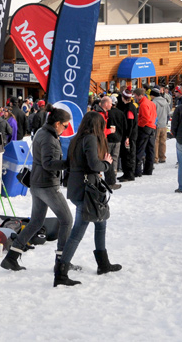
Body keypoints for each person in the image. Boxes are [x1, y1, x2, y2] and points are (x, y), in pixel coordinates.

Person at [1, 107, 74, 271]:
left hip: (37, 184)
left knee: (36, 222)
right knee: (67, 220)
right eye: (65, 126)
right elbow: (48, 163)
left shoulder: (42, 131)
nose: (66, 129)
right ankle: (62, 262)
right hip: (47, 185)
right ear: (57, 124)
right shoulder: (48, 138)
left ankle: (11, 257)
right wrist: (70, 163)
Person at [56, 111, 122, 287]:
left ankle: (103, 263)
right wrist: (106, 163)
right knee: (78, 231)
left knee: (101, 222)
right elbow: (94, 165)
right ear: (97, 126)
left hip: (80, 188)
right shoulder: (91, 139)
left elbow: (72, 163)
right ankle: (61, 272)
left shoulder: (76, 139)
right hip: (87, 190)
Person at [117, 89, 138, 182]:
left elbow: (130, 123)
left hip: (129, 136)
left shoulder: (129, 108)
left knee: (128, 154)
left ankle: (129, 174)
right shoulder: (129, 106)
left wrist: (127, 137)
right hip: (129, 135)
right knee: (126, 154)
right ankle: (126, 173)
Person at [150, 87, 169, 165]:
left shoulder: (153, 103)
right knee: (163, 142)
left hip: (156, 125)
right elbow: (168, 112)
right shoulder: (165, 101)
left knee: (155, 141)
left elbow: (152, 114)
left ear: (153, 95)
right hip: (164, 124)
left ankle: (155, 158)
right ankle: (162, 157)